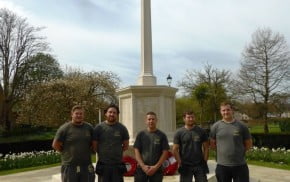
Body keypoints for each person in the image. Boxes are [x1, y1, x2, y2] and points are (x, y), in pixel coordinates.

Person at [210, 101, 253, 182]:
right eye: (223, 110)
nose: (226, 112)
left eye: (228, 110)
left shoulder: (242, 126)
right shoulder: (215, 126)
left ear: (232, 110)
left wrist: (239, 152)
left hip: (240, 165)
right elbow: (212, 144)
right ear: (220, 112)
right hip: (222, 166)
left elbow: (248, 143)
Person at [52, 105, 96, 182]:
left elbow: (94, 142)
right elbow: (55, 144)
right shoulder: (64, 128)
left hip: (86, 165)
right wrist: (65, 152)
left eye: (81, 114)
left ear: (83, 115)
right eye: (76, 113)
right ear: (72, 114)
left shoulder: (89, 127)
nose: (79, 115)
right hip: (69, 166)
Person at [94, 104, 130, 182]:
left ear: (117, 115)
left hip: (117, 165)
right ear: (106, 113)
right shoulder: (98, 128)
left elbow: (126, 146)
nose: (112, 114)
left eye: (114, 113)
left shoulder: (122, 128)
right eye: (110, 112)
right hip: (103, 165)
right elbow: (95, 146)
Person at [172, 111, 209, 182]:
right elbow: (175, 149)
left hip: (199, 165)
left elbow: (206, 147)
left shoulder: (201, 131)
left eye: (192, 117)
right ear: (184, 119)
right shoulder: (179, 132)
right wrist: (180, 162)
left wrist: (205, 162)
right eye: (188, 117)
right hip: (185, 165)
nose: (191, 119)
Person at [134, 111, 170, 182]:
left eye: (153, 119)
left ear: (156, 120)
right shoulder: (141, 134)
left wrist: (155, 167)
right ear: (146, 121)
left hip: (157, 170)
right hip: (141, 169)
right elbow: (136, 151)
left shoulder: (162, 135)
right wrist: (143, 166)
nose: (151, 121)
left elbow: (165, 152)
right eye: (149, 119)